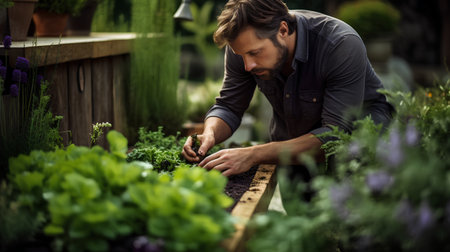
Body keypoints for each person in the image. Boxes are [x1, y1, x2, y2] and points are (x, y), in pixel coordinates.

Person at [182, 0, 393, 177]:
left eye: (255, 53)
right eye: (242, 56)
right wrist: (209, 133)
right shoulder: (244, 48)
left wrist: (253, 154)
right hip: (290, 153)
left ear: (283, 30)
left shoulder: (340, 44)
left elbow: (334, 136)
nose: (248, 66)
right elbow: (229, 105)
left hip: (360, 159)